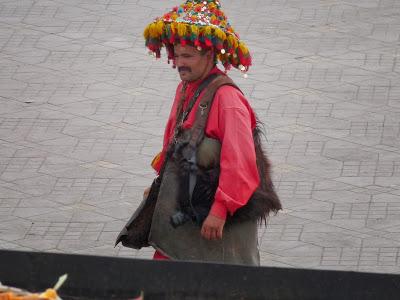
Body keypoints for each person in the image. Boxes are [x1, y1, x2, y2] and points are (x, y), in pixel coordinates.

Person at [119, 0, 281, 266]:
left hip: (218, 220)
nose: (180, 63)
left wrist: (220, 209)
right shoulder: (184, 89)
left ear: (209, 56)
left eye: (188, 56)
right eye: (177, 56)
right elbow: (172, 146)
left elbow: (240, 162)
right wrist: (160, 187)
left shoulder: (227, 99)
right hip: (186, 211)